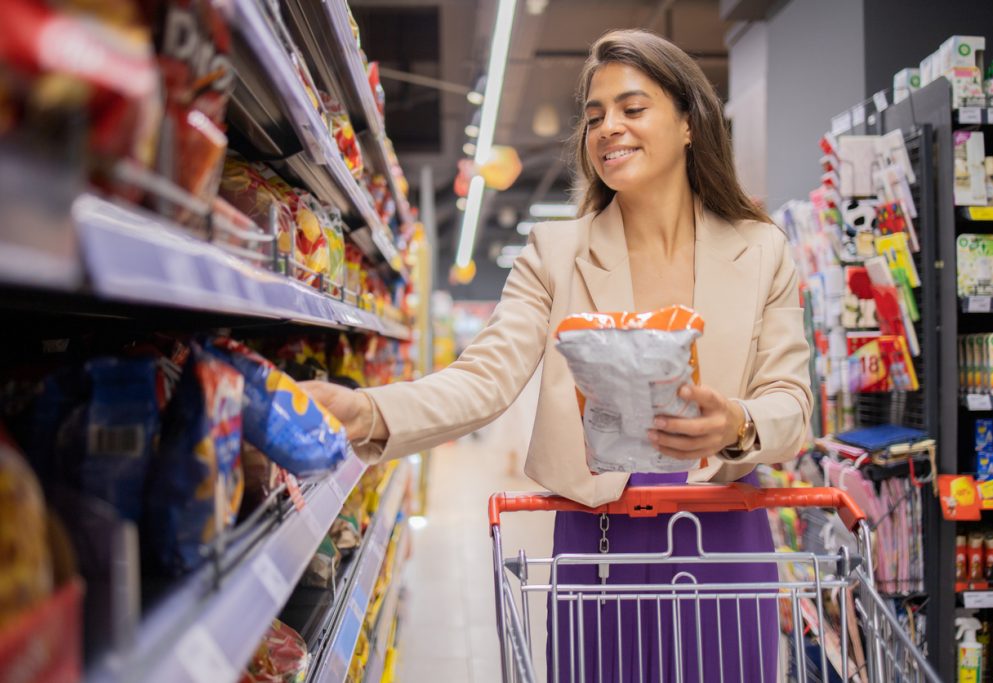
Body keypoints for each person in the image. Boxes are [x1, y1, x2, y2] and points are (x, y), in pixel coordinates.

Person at [304, 28, 811, 683]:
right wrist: (367, 407)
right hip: (597, 541)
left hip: (719, 535)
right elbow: (483, 379)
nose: (608, 129)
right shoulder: (554, 253)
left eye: (632, 109)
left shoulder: (761, 250)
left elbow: (790, 400)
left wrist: (738, 422)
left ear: (689, 123)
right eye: (595, 116)